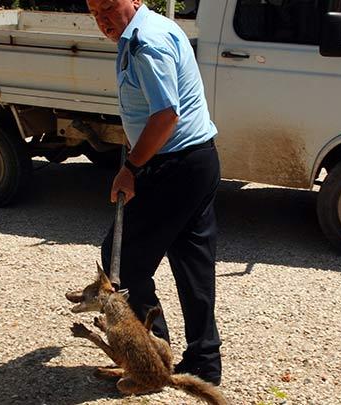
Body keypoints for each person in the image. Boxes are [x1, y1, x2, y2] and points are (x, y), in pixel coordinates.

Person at [86, 0, 222, 385]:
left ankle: (150, 352)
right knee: (192, 263)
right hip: (197, 160)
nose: (103, 20)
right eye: (95, 13)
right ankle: (203, 363)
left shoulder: (147, 44)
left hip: (175, 165)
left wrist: (131, 168)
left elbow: (166, 115)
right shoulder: (149, 31)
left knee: (124, 259)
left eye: (109, 7)